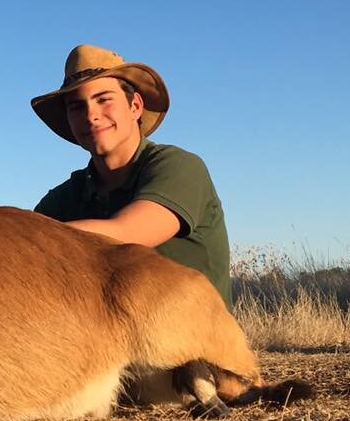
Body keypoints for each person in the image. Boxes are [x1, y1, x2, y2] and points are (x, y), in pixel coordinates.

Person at [31, 44, 231, 307]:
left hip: (192, 340)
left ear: (135, 105)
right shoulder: (63, 199)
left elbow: (125, 233)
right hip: (108, 340)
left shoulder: (179, 166)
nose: (91, 115)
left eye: (104, 99)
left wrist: (28, 241)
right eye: (77, 107)